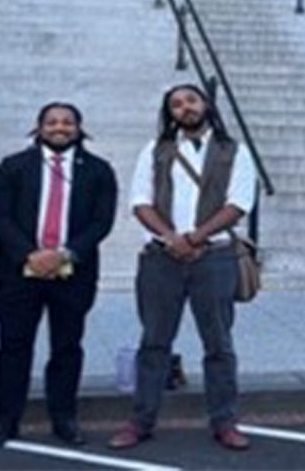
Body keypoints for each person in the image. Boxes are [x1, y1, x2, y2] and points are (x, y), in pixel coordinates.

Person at [108, 84, 256, 451]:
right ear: (169, 113)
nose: (184, 108)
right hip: (162, 259)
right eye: (175, 104)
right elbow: (140, 202)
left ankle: (225, 421)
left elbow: (238, 204)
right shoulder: (155, 151)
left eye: (190, 100)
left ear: (205, 104)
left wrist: (195, 238)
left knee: (219, 343)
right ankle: (141, 421)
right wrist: (171, 237)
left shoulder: (234, 151)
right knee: (154, 342)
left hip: (215, 257)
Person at [0, 103, 118, 449]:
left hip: (74, 273)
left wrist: (64, 255)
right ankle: (6, 420)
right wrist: (31, 255)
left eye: (67, 122)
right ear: (39, 127)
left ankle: (64, 418)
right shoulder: (13, 166)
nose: (60, 128)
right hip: (18, 272)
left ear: (79, 127)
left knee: (67, 347)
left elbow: (101, 222)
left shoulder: (99, 170)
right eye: (52, 122)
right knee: (13, 346)